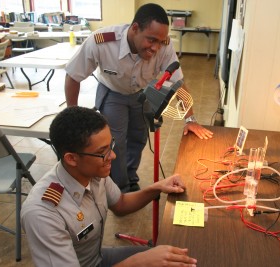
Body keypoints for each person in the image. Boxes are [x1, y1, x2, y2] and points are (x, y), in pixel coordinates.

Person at [21, 106, 197, 267]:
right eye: (101, 152)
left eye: (110, 146)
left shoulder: (93, 173)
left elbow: (120, 204)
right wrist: (138, 262)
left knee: (176, 258)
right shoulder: (43, 213)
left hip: (98, 259)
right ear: (71, 158)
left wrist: (157, 187)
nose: (112, 155)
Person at [65, 3, 213, 193]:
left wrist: (190, 119)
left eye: (160, 42)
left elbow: (179, 83)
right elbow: (73, 76)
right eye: (151, 40)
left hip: (141, 94)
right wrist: (72, 116)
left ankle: (130, 176)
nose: (155, 48)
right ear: (135, 28)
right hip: (112, 92)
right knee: (116, 143)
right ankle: (120, 189)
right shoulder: (102, 42)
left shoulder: (163, 46)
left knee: (138, 138)